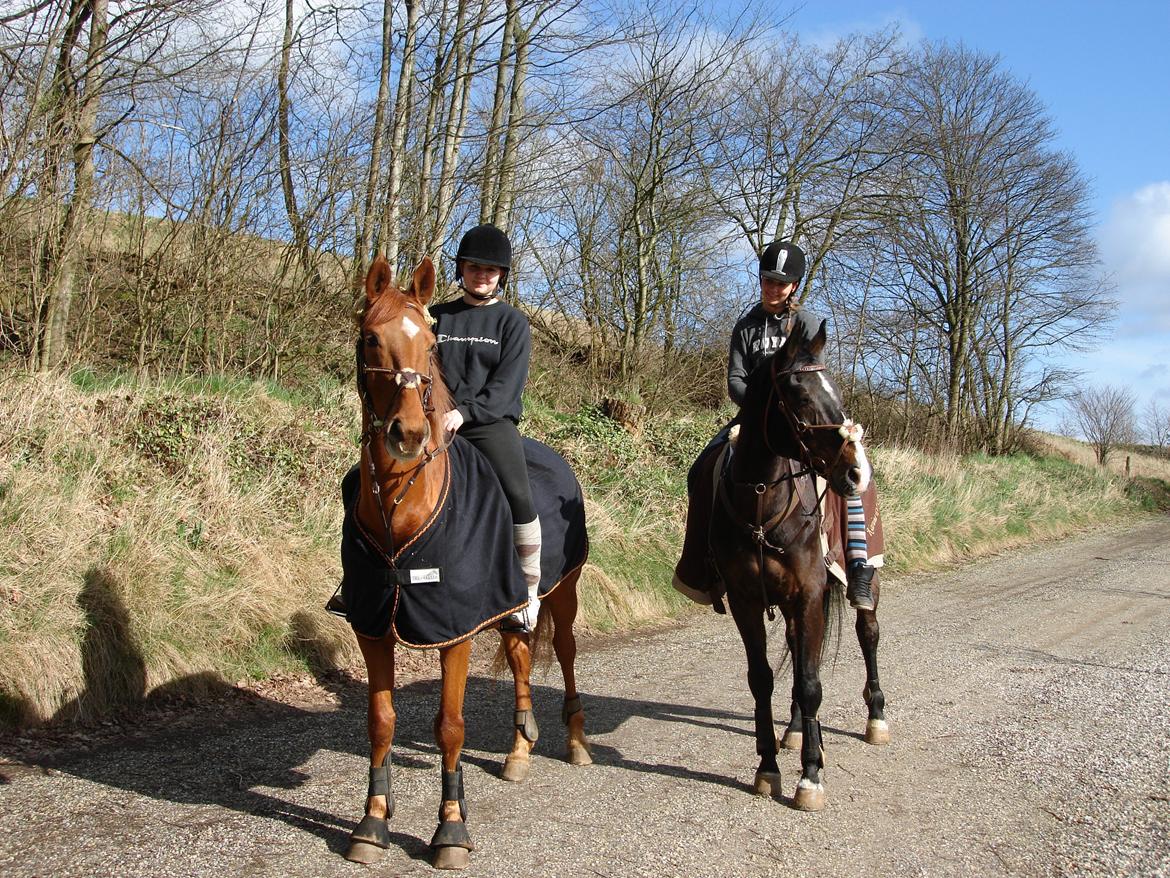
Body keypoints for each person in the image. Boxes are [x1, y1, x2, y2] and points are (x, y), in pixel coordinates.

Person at [672, 240, 878, 611]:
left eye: (780, 283)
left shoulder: (808, 324)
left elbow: (816, 378)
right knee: (702, 468)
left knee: (852, 469)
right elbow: (736, 379)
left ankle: (859, 563)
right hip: (753, 422)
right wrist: (757, 406)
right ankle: (707, 565)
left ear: (793, 286)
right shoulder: (746, 327)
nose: (772, 288)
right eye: (767, 280)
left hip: (802, 421)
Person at [430, 223, 542, 631]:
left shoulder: (512, 323)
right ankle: (361, 583)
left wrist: (464, 413)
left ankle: (528, 589)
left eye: (491, 270)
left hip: (487, 423)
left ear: (502, 276)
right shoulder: (437, 316)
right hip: (433, 421)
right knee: (372, 479)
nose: (482, 275)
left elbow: (506, 385)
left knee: (517, 492)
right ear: (461, 269)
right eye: (475, 267)